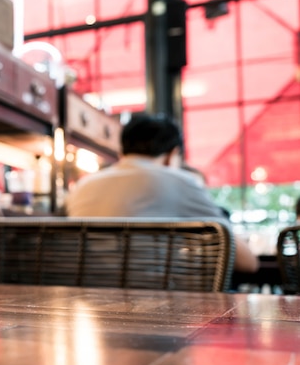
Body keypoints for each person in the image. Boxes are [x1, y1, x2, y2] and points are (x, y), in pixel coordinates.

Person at [65, 114, 259, 273]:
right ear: (172, 154)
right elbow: (247, 262)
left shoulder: (82, 186)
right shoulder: (181, 182)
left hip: (89, 305)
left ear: (122, 150)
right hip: (160, 306)